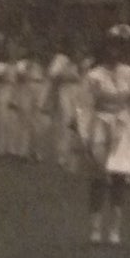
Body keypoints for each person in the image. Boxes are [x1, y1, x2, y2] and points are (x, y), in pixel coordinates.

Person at [77, 26, 130, 245]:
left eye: (118, 47)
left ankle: (115, 229)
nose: (114, 52)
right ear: (103, 49)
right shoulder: (94, 75)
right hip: (100, 124)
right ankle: (95, 228)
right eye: (110, 47)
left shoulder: (129, 73)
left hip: (123, 126)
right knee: (98, 178)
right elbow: (85, 106)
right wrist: (84, 133)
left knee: (119, 177)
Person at [47, 42, 84, 173]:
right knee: (66, 122)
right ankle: (62, 156)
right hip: (65, 92)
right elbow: (53, 75)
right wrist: (68, 75)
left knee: (78, 124)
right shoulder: (61, 59)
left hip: (80, 94)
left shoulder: (85, 62)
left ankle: (74, 160)